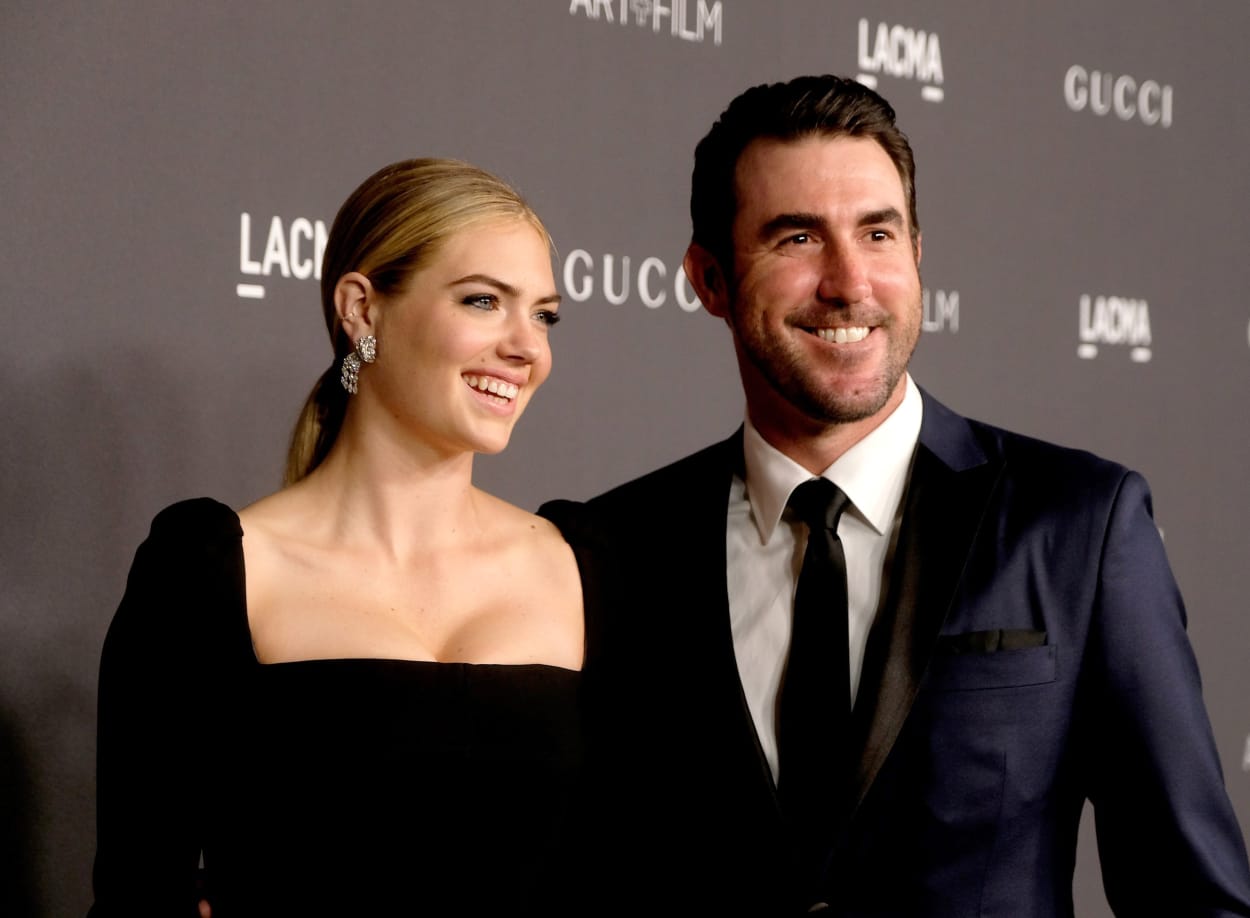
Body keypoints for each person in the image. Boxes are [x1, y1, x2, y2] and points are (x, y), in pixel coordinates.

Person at [543, 75, 1250, 915]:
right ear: (710, 280)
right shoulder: (614, 549)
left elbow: (1193, 897)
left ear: (917, 254)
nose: (849, 282)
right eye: (797, 238)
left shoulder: (1078, 525)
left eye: (877, 233)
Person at [90, 159, 599, 916]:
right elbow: (139, 896)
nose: (528, 347)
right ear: (363, 310)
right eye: (484, 301)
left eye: (545, 314)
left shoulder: (582, 559)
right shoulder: (206, 572)